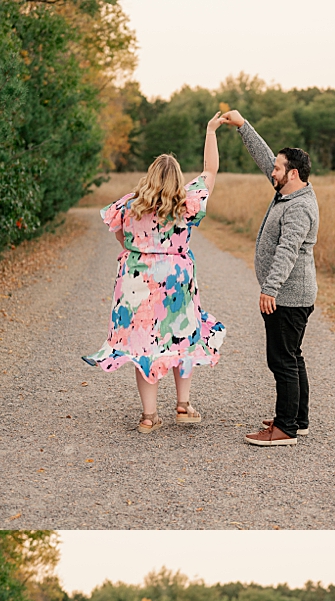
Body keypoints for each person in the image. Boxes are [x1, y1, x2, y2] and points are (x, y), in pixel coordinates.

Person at [82, 114, 228, 432]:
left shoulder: (130, 205)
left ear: (149, 176)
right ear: (177, 177)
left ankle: (149, 416)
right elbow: (210, 170)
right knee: (182, 340)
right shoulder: (186, 202)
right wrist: (210, 131)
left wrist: (142, 252)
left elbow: (123, 240)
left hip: (137, 280)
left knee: (142, 345)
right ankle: (183, 405)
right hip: (177, 279)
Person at [219, 109, 319, 448]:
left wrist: (270, 289)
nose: (271, 171)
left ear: (291, 174)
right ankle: (298, 419)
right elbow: (265, 158)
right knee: (292, 356)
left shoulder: (299, 207)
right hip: (289, 295)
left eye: (277, 168)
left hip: (289, 296)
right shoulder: (288, 190)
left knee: (281, 360)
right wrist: (243, 126)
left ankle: (285, 428)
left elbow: (288, 251)